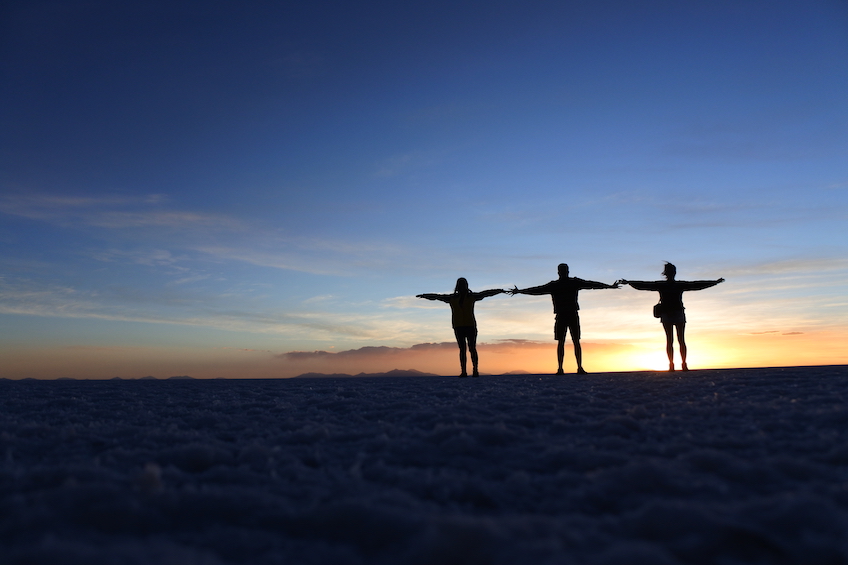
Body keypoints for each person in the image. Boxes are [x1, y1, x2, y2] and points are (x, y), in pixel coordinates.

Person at [510, 264, 619, 375]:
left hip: (567, 315)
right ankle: (568, 368)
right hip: (566, 315)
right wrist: (520, 291)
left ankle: (569, 368)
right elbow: (537, 290)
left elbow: (592, 284)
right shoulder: (567, 283)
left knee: (570, 341)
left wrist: (609, 286)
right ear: (565, 271)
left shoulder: (561, 284)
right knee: (568, 342)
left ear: (560, 272)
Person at [620, 263, 724, 372]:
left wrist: (714, 282)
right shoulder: (674, 285)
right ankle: (678, 365)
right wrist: (714, 283)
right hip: (673, 314)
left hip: (673, 314)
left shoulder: (666, 285)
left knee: (674, 340)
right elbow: (696, 285)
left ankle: (676, 365)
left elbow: (697, 284)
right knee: (677, 340)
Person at [417, 278, 506, 377]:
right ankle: (464, 371)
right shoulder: (452, 298)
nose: (462, 287)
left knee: (472, 348)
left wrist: (499, 291)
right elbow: (437, 297)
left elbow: (485, 293)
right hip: (458, 326)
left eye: (463, 284)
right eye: (461, 284)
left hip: (470, 326)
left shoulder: (471, 296)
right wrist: (426, 296)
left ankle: (475, 370)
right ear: (458, 286)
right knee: (462, 349)